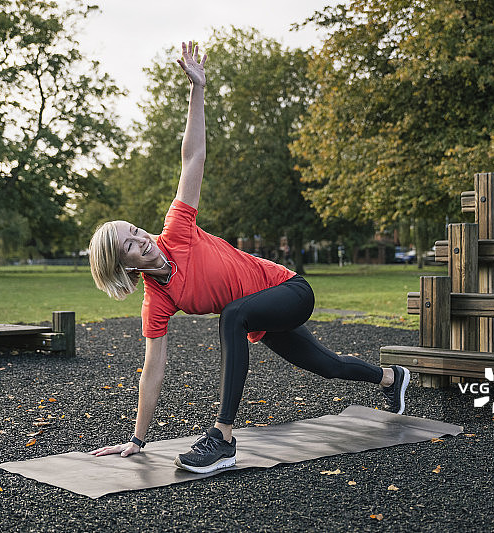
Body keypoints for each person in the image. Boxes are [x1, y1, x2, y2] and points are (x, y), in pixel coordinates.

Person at [87, 41, 410, 474]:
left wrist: (197, 90)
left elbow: (192, 157)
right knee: (327, 366)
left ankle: (222, 438)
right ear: (124, 265)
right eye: (128, 244)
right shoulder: (157, 301)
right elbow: (152, 370)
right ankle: (393, 378)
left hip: (290, 290)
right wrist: (136, 440)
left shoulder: (177, 230)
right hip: (259, 317)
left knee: (232, 315)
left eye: (134, 230)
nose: (140, 238)